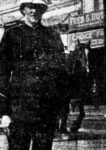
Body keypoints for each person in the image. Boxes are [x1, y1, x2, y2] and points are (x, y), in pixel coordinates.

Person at [0, 0, 70, 149]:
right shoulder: (12, 34)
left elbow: (61, 74)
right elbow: (2, 72)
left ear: (43, 10)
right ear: (24, 9)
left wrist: (60, 110)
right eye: (31, 7)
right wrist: (4, 111)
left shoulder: (52, 35)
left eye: (39, 7)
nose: (34, 11)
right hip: (20, 107)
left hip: (46, 108)